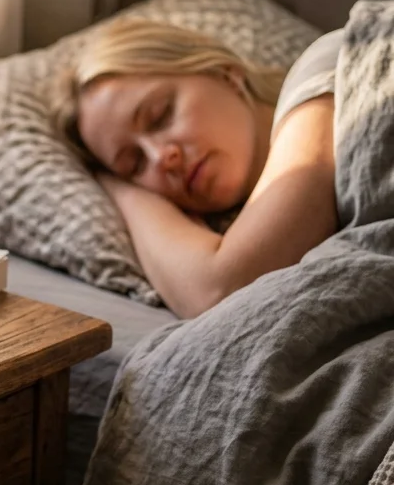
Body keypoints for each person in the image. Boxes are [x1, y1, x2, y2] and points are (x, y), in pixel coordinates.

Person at [52, 17, 342, 319]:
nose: (162, 157)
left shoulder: (325, 70)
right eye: (134, 163)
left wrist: (120, 188)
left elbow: (220, 288)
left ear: (225, 74)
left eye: (160, 116)